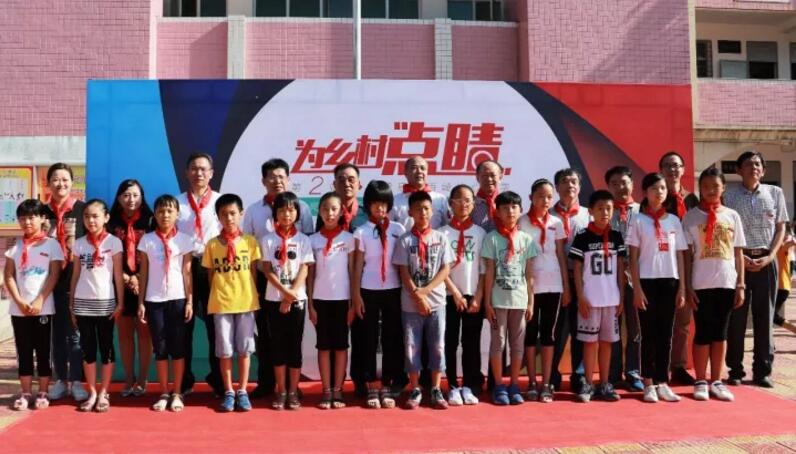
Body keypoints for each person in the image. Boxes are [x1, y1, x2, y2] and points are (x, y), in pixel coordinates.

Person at [242, 158, 314, 399]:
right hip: (267, 279)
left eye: (281, 176)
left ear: (288, 179)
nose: (277, 181)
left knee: (293, 338)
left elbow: (307, 246)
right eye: (271, 177)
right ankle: (268, 383)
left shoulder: (302, 208)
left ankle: (292, 387)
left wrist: (293, 290)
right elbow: (248, 247)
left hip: (296, 282)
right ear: (264, 181)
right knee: (266, 334)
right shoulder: (254, 210)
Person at [723, 150, 789, 388]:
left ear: (763, 169)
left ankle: (763, 371)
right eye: (749, 164)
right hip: (738, 261)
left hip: (766, 260)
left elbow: (781, 228)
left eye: (758, 164)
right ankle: (735, 370)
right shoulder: (728, 196)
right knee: (737, 317)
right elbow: (725, 229)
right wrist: (739, 257)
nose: (754, 168)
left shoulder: (775, 193)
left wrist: (770, 256)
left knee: (765, 316)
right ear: (738, 170)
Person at [683, 167, 746, 401]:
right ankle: (700, 380)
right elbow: (686, 255)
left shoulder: (732, 216)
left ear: (723, 188)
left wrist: (741, 284)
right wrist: (687, 286)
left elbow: (738, 252)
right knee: (702, 332)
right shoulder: (690, 217)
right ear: (700, 188)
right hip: (700, 283)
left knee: (720, 332)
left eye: (715, 186)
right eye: (706, 186)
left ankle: (717, 381)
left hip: (726, 282)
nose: (711, 190)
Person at [626, 173, 688, 403]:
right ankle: (648, 382)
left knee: (665, 333)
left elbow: (680, 255)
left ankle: (663, 381)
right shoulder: (638, 220)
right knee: (648, 334)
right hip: (647, 282)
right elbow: (633, 257)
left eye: (662, 188)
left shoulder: (673, 221)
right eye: (654, 188)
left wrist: (682, 288)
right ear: (645, 192)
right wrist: (637, 288)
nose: (659, 192)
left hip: (669, 282)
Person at [393, 191, 453, 409]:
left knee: (437, 346)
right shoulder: (404, 240)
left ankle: (436, 388)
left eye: (426, 208)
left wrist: (426, 291)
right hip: (411, 305)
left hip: (437, 302)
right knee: (411, 347)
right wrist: (417, 297)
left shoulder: (441, 238)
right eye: (418, 209)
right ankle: (415, 387)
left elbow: (445, 268)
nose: (422, 213)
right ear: (410, 212)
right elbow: (403, 271)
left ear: (432, 211)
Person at [202, 194, 261, 412]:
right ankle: (228, 391)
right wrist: (220, 294)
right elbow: (211, 276)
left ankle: (243, 390)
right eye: (224, 214)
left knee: (245, 349)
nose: (229, 218)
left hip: (245, 303)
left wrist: (250, 296)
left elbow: (253, 273)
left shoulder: (250, 242)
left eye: (233, 213)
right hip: (221, 304)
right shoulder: (211, 245)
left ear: (241, 214)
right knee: (225, 350)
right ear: (217, 217)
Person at [4, 199, 64, 410]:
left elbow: (54, 274)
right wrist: (19, 302)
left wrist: (40, 299)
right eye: (22, 218)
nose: (27, 222)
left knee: (43, 350)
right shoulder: (15, 246)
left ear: (42, 218)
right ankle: (26, 392)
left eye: (31, 217)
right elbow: (9, 276)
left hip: (43, 308)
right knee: (23, 351)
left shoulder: (52, 245)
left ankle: (43, 391)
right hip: (19, 310)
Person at [351, 181, 406, 409]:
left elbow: (403, 264)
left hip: (394, 290)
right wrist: (356, 295)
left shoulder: (398, 229)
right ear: (368, 205)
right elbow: (357, 266)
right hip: (368, 290)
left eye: (384, 204)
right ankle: (371, 384)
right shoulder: (361, 231)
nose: (380, 208)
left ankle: (388, 383)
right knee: (369, 339)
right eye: (375, 204)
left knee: (392, 338)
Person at [137, 195, 195, 412]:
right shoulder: (147, 240)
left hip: (178, 298)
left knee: (178, 347)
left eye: (170, 211)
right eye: (161, 211)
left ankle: (177, 392)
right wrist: (141, 302)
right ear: (155, 214)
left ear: (177, 214)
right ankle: (163, 391)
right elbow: (143, 274)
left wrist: (189, 301)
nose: (165, 215)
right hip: (155, 300)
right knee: (160, 348)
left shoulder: (185, 240)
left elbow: (187, 273)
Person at [569, 190, 626, 403]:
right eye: (600, 208)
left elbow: (621, 268)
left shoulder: (616, 236)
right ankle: (588, 383)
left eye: (608, 208)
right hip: (590, 300)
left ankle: (605, 383)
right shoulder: (583, 236)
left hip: (611, 299)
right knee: (589, 343)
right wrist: (581, 296)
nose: (604, 213)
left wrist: (621, 296)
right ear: (591, 211)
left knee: (607, 342)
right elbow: (576, 268)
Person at [259, 192, 314, 410]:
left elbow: (304, 269)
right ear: (275, 214)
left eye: (291, 210)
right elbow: (267, 270)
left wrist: (291, 296)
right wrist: (283, 293)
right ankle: (280, 390)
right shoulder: (267, 240)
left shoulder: (303, 240)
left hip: (297, 299)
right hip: (274, 299)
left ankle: (293, 390)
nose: (286, 214)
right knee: (278, 345)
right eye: (281, 210)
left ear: (297, 213)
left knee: (294, 345)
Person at [68, 199, 124, 412]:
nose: (91, 220)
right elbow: (75, 275)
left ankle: (104, 392)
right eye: (87, 216)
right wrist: (71, 304)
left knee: (106, 348)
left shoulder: (114, 242)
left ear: (106, 218)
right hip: (82, 305)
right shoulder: (79, 244)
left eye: (95, 216)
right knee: (88, 350)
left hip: (106, 305)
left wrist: (120, 303)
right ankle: (92, 392)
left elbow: (117, 276)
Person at [482, 191, 537, 406]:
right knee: (498, 343)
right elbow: (489, 272)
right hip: (498, 301)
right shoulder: (491, 238)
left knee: (517, 345)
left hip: (520, 300)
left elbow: (529, 275)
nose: (510, 211)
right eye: (505, 208)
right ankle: (499, 385)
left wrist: (530, 302)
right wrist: (487, 302)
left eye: (514, 207)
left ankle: (514, 384)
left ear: (520, 210)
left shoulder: (526, 239)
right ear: (497, 212)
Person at [176, 152, 222, 396]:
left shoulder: (221, 201)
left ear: (211, 173)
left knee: (216, 326)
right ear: (187, 172)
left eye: (204, 169)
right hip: (185, 267)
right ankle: (184, 381)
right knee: (184, 326)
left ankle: (218, 380)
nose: (199, 173)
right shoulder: (176, 204)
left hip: (214, 267)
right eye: (194, 168)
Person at [519, 179, 568, 403]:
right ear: (531, 197)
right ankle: (531, 382)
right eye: (540, 196)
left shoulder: (556, 222)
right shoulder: (521, 221)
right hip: (529, 286)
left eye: (549, 197)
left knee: (549, 334)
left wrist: (566, 286)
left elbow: (560, 255)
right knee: (530, 334)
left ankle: (547, 383)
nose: (545, 200)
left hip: (553, 285)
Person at [42, 163, 88, 402]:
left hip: (76, 282)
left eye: (65, 179)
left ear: (72, 182)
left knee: (75, 335)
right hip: (48, 283)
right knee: (56, 335)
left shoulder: (83, 210)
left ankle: (77, 381)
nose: (60, 184)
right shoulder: (41, 211)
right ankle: (60, 380)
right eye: (55, 180)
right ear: (48, 183)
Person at [308, 192, 356, 409]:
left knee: (341, 346)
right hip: (320, 300)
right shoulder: (312, 240)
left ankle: (338, 390)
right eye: (325, 209)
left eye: (334, 209)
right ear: (319, 212)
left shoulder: (349, 239)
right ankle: (326, 390)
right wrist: (310, 304)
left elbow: (353, 272)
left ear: (341, 212)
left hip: (342, 300)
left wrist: (353, 303)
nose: (330, 213)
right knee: (324, 347)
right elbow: (310, 276)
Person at [440, 184, 486, 405]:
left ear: (474, 204)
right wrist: (455, 293)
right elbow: (441, 269)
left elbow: (484, 269)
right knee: (449, 342)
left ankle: (470, 384)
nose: (464, 204)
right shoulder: (441, 233)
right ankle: (452, 385)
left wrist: (478, 296)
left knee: (471, 342)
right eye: (459, 199)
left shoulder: (480, 233)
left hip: (473, 295)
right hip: (448, 296)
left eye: (468, 200)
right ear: (451, 203)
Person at [108, 179, 153, 397]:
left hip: (147, 284)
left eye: (135, 195)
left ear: (142, 197)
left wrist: (138, 277)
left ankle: (143, 378)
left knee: (144, 334)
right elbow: (105, 252)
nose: (131, 200)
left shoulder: (151, 220)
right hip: (119, 283)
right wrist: (126, 277)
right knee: (125, 335)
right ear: (118, 198)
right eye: (126, 195)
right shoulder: (110, 223)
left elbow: (156, 253)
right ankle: (128, 378)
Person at [659, 151, 700, 385]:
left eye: (676, 165)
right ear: (661, 170)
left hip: (689, 264)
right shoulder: (656, 198)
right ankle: (656, 366)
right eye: (667, 166)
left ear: (683, 170)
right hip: (662, 265)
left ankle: (679, 367)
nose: (672, 169)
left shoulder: (693, 200)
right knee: (660, 320)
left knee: (683, 322)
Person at [549, 168, 591, 393]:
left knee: (581, 329)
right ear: (557, 187)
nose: (570, 185)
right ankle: (551, 374)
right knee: (556, 329)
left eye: (574, 181)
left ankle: (579, 374)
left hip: (583, 280)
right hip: (554, 281)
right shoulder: (547, 215)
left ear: (580, 187)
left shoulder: (588, 215)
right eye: (565, 181)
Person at [604, 166, 643, 391]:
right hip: (609, 277)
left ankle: (633, 371)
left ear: (632, 184)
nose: (620, 187)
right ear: (608, 187)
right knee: (613, 326)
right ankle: (613, 372)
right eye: (615, 183)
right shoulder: (604, 211)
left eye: (624, 182)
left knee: (636, 327)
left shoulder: (642, 212)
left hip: (637, 276)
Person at [389, 156, 449, 230]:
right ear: (405, 172)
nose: (419, 171)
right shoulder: (394, 201)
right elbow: (389, 229)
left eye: (423, 168)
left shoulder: (440, 199)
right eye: (414, 168)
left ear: (427, 172)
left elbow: (447, 227)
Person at [314, 163, 368, 232]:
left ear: (359, 184)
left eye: (351, 180)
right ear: (334, 184)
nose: (346, 184)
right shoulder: (328, 212)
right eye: (342, 180)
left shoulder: (367, 214)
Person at [472, 160, 504, 232]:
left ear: (500, 176)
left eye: (493, 175)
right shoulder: (470, 205)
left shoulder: (507, 203)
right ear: (477, 177)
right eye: (484, 176)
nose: (489, 179)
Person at [774, 227, 794, 327]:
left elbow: (791, 243)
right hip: (780, 286)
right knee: (772, 315)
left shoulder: (783, 247)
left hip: (782, 287)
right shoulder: (777, 248)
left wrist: (791, 240)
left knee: (773, 316)